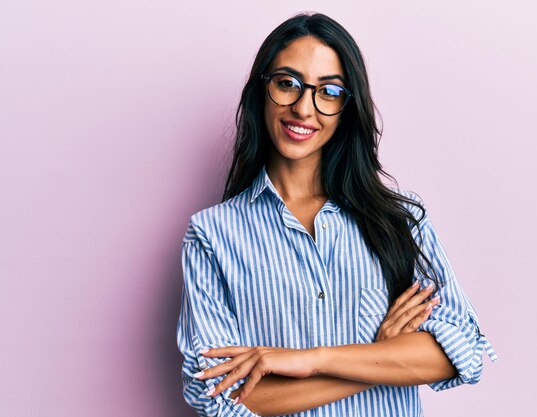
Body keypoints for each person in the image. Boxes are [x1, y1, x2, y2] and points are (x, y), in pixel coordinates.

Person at [176, 12, 498, 417]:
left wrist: (312, 360)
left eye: (328, 91)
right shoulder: (211, 235)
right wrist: (380, 360)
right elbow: (219, 397)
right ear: (263, 90)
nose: (303, 107)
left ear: (347, 108)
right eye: (287, 83)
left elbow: (461, 351)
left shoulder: (400, 220)